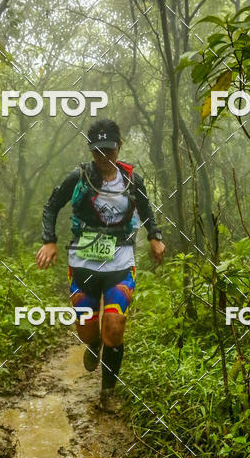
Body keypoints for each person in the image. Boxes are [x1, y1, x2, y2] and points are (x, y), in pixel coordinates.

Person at [36, 119, 165, 409]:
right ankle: (93, 345)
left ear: (120, 146)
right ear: (90, 150)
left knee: (115, 328)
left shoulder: (132, 180)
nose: (104, 156)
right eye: (98, 151)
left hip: (121, 262)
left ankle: (107, 393)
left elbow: (146, 209)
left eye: (110, 149)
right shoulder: (79, 178)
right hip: (83, 264)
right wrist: (49, 240)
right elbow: (52, 205)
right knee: (88, 330)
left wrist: (154, 236)